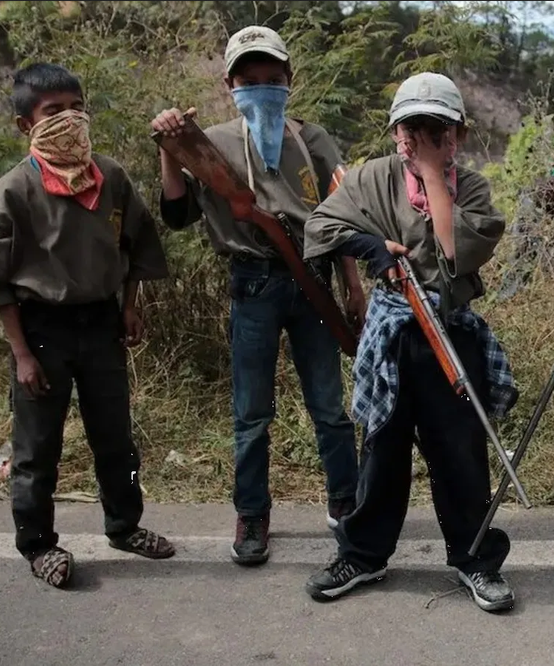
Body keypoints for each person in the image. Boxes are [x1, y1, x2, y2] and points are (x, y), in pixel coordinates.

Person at [299, 72, 518, 614]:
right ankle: (363, 553)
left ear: (456, 135)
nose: (418, 138)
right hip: (394, 335)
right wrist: (370, 245)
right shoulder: (371, 177)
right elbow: (320, 229)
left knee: (460, 452)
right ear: (395, 130)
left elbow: (453, 251)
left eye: (433, 128)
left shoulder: (473, 189)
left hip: (450, 334)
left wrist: (431, 174)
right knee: (381, 449)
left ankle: (475, 560)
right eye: (409, 128)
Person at [151, 26, 365, 566]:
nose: (262, 88)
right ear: (230, 84)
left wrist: (353, 287)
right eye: (250, 80)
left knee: (330, 407)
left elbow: (338, 219)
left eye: (273, 79)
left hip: (313, 280)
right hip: (252, 284)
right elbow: (177, 215)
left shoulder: (313, 139)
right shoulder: (211, 142)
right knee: (251, 412)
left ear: (289, 80)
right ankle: (252, 513)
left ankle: (347, 504)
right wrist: (170, 148)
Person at [0, 63, 175, 588]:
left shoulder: (111, 177)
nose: (70, 119)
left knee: (116, 438)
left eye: (77, 107)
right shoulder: (14, 191)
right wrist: (23, 354)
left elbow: (134, 245)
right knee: (36, 448)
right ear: (24, 125)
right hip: (40, 332)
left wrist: (129, 305)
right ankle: (38, 544)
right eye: (53, 112)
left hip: (101, 325)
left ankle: (125, 525)